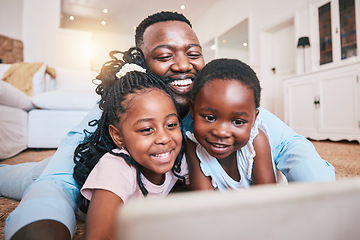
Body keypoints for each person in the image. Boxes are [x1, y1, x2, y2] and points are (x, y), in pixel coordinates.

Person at [1, 11, 335, 240]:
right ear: (139, 61)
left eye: (193, 52)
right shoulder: (123, 106)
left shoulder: (215, 101)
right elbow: (59, 181)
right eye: (164, 55)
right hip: (80, 166)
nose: (182, 65)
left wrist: (325, 206)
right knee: (32, 176)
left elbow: (290, 144)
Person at [73, 48, 187, 239]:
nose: (164, 138)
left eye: (171, 124)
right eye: (146, 129)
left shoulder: (175, 158)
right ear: (118, 136)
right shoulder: (116, 167)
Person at [186, 58, 276, 190]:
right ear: (192, 110)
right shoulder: (193, 146)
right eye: (210, 118)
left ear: (254, 120)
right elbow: (205, 203)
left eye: (238, 122)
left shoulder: (256, 141)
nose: (221, 132)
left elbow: (268, 200)